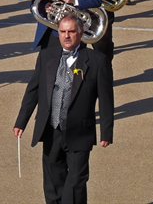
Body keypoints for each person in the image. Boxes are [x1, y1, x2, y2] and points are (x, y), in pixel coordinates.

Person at [14, 15, 113, 204]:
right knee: (53, 182)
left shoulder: (97, 60)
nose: (66, 36)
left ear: (81, 33)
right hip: (51, 129)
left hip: (79, 132)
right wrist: (21, 121)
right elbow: (33, 90)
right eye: (63, 32)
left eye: (71, 31)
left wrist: (106, 132)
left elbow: (107, 98)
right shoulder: (46, 56)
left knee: (76, 183)